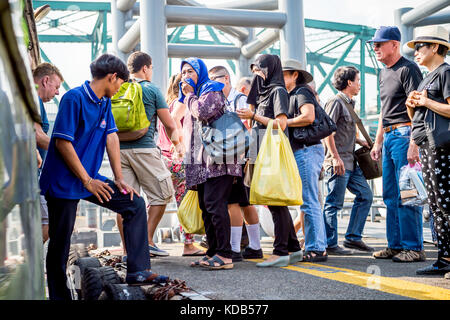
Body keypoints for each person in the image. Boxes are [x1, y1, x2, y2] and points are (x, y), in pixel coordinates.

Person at [40, 54, 169, 300]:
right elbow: (62, 143)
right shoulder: (73, 98)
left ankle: (139, 270)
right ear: (112, 77)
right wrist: (88, 181)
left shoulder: (104, 101)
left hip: (89, 178)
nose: (121, 88)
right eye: (120, 83)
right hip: (63, 183)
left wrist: (119, 179)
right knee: (60, 243)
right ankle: (58, 297)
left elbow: (111, 136)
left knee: (133, 203)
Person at [115, 52, 183, 258]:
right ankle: (147, 241)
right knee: (162, 194)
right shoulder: (151, 89)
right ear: (145, 68)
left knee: (125, 199)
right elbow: (169, 123)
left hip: (118, 150)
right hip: (144, 149)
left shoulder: (118, 88)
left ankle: (128, 249)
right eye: (151, 68)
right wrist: (177, 144)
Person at [237, 54, 302, 267]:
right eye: (255, 70)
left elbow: (281, 124)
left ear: (270, 69)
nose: (257, 74)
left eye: (261, 69)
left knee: (274, 200)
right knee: (268, 198)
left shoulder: (277, 91)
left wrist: (253, 117)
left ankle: (281, 250)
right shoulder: (264, 91)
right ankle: (292, 248)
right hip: (258, 144)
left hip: (269, 146)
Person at [368, 26, 425, 263]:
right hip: (390, 136)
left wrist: (415, 142)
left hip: (404, 135)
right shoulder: (383, 73)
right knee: (390, 195)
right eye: (374, 44)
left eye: (380, 44)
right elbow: (384, 111)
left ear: (394, 45)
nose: (375, 48)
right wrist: (377, 141)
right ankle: (396, 244)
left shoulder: (409, 69)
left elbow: (419, 107)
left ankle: (414, 247)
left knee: (408, 193)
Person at [180, 57, 242, 270]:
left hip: (218, 159)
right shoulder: (196, 94)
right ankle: (213, 252)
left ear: (200, 72)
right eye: (184, 72)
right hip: (201, 161)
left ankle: (225, 255)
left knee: (215, 204)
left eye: (190, 71)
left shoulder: (212, 89)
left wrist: (189, 95)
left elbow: (203, 112)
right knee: (206, 207)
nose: (186, 76)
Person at [404, 25, 450, 277]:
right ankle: (444, 258)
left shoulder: (445, 73)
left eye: (420, 47)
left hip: (442, 146)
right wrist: (412, 106)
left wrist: (425, 101)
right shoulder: (427, 77)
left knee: (446, 203)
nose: (416, 52)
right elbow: (420, 116)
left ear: (435, 47)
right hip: (427, 145)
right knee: (435, 204)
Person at [208, 66, 263, 262]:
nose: (212, 83)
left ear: (226, 79)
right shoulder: (230, 99)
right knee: (244, 202)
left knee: (234, 203)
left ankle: (235, 249)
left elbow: (246, 128)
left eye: (215, 79)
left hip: (238, 157)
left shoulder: (237, 99)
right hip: (241, 156)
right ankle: (254, 246)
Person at [322, 66, 374, 255]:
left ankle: (353, 238)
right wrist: (335, 158)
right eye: (358, 80)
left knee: (365, 196)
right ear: (349, 82)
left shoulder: (348, 103)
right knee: (333, 204)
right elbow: (327, 132)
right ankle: (329, 243)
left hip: (350, 161)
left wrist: (358, 139)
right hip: (339, 162)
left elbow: (342, 130)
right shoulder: (335, 102)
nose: (360, 84)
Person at [282, 59, 328, 262]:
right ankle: (316, 246)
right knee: (307, 201)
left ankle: (317, 248)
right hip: (305, 149)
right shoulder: (293, 94)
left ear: (295, 75)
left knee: (309, 200)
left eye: (284, 74)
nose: (280, 78)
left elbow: (308, 116)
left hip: (307, 149)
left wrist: (284, 122)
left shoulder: (302, 92)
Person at [156, 73, 205, 257]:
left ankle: (147, 240)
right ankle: (188, 244)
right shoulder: (182, 103)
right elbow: (176, 122)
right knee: (185, 201)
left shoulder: (166, 105)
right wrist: (182, 146)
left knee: (160, 201)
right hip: (179, 157)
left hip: (164, 158)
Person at [33, 62, 64, 243]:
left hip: (30, 172)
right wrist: (67, 151)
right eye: (57, 87)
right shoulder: (33, 99)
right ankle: (27, 266)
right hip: (30, 173)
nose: (57, 93)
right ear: (45, 81)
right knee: (51, 220)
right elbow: (37, 135)